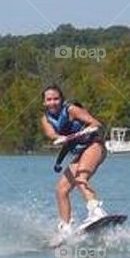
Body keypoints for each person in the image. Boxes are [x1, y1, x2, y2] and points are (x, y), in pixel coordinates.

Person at [40, 84, 108, 240]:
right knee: (61, 189)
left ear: (61, 99)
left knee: (80, 178)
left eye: (56, 99)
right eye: (49, 100)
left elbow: (96, 123)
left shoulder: (71, 110)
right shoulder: (46, 119)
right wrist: (59, 139)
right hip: (79, 153)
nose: (52, 102)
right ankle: (65, 228)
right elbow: (52, 134)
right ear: (44, 102)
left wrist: (88, 129)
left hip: (94, 146)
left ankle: (96, 211)